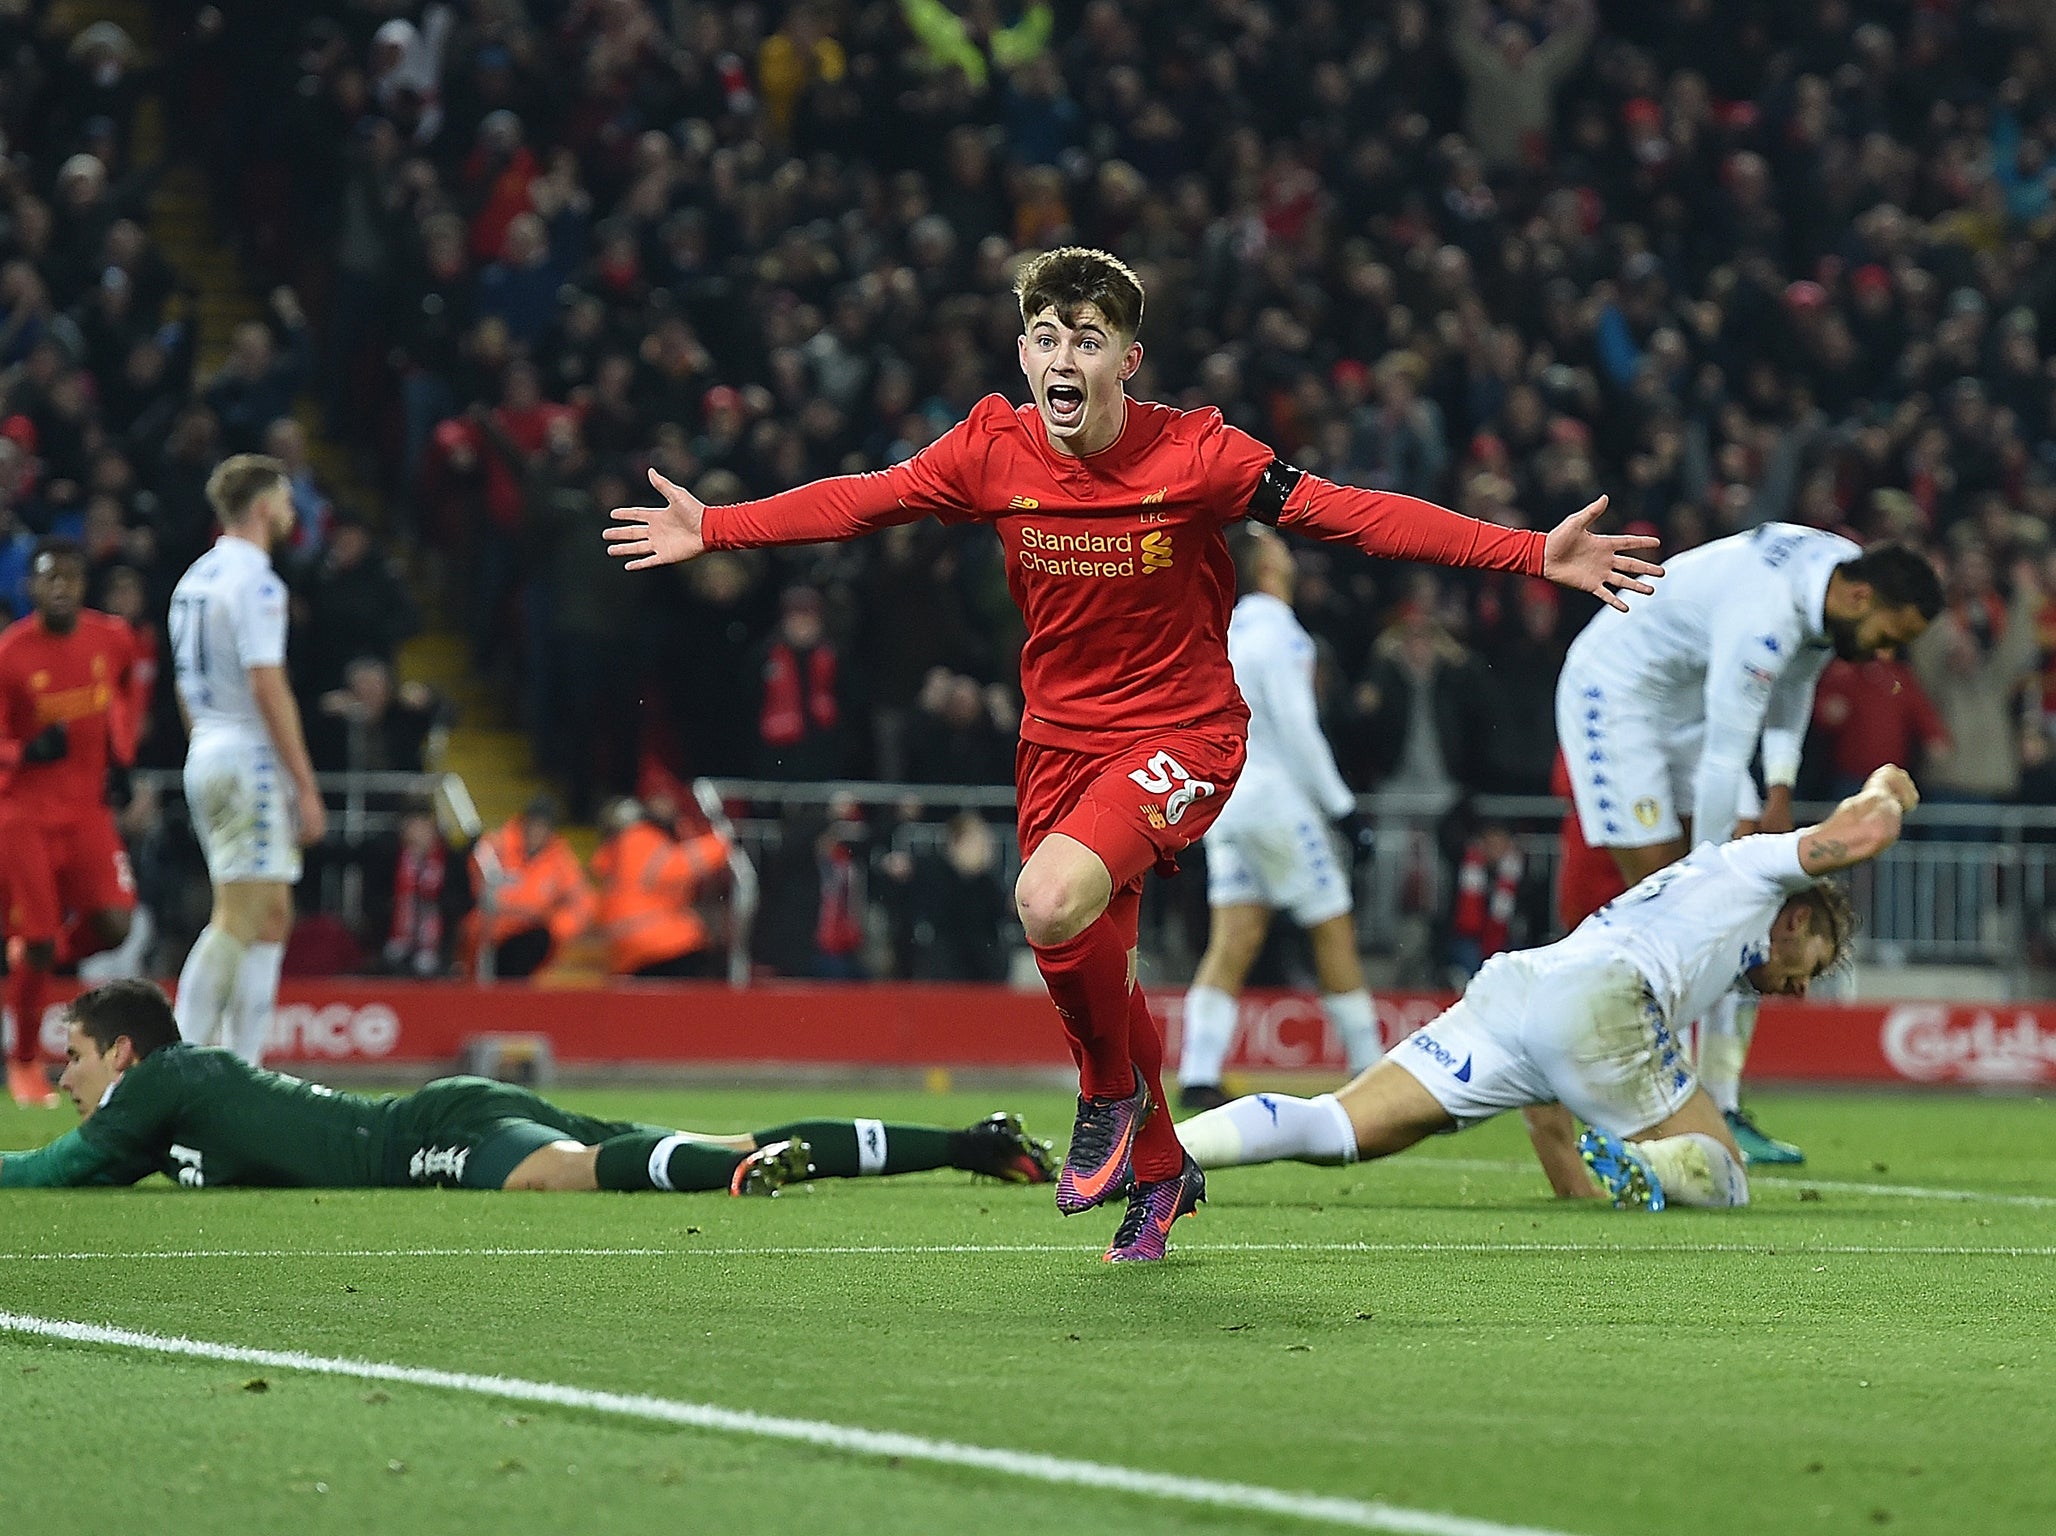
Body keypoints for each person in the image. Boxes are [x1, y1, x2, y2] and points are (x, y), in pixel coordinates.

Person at [608, 246, 1660, 1261]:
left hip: (1181, 733)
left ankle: (1107, 1098)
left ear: (1126, 361)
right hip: (1055, 745)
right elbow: (864, 500)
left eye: (1087, 338)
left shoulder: (1198, 456)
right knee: (1097, 968)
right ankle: (1158, 1174)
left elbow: (1353, 518)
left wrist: (1528, 552)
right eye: (1044, 336)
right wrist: (723, 528)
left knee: (1047, 901)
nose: (1062, 357)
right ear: (1022, 355)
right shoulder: (989, 450)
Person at [1176, 766, 1920, 1213]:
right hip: (1607, 996)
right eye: (1812, 964)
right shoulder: (1758, 866)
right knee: (1724, 1176)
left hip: (1527, 989)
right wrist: (1890, 783)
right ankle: (1649, 1160)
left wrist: (1578, 1194)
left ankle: (1157, 1150)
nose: (1797, 987)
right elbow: (1867, 834)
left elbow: (1550, 1100)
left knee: (1337, 1129)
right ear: (1798, 917)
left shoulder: (1708, 928)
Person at [1552, 526, 1940, 1165]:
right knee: (1669, 902)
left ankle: (1723, 1103)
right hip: (1616, 695)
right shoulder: (1763, 614)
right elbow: (1725, 760)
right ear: (1861, 595)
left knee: (1757, 910)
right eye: (1890, 635)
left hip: (1695, 703)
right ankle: (1626, 1100)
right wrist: (1711, 882)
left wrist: (1780, 789)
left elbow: (1795, 686)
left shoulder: (1833, 586)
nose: (1886, 656)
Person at [0, 978, 1058, 1193]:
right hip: (445, 1108)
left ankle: (728, 1178)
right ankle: (966, 1144)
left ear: (124, 1057)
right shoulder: (166, 1099)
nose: (63, 1077)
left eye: (75, 1059)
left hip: (418, 1137)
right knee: (730, 1136)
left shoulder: (162, 1079)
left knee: (560, 1174)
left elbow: (49, 1172)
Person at [1179, 523, 1379, 1111]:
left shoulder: (1224, 631)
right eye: (1279, 546)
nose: (1288, 554)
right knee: (1331, 924)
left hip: (1226, 800)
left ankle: (1197, 1072)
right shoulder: (1282, 635)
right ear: (1267, 566)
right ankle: (1374, 1071)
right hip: (1274, 799)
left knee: (1233, 937)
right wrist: (1344, 812)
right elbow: (1299, 731)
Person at [168, 455, 326, 1068]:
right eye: (286, 500)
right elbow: (268, 686)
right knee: (238, 914)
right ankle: (174, 1066)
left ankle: (246, 1069)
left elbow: (184, 685)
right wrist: (304, 786)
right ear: (262, 507)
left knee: (270, 914)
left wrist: (207, 747)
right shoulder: (258, 583)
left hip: (206, 747)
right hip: (247, 756)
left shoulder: (194, 580)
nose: (292, 512)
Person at [0, 538, 143, 1106]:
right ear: (31, 587)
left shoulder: (112, 638)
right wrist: (23, 753)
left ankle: (36, 960)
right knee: (35, 938)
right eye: (49, 577)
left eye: (71, 577)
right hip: (23, 815)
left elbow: (127, 693)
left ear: (84, 586)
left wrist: (122, 754)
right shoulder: (10, 653)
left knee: (115, 924)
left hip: (87, 811)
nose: (60, 586)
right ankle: (25, 1062)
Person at [591, 793, 730, 979]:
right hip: (656, 943)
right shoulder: (639, 839)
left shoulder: (614, 853)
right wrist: (723, 842)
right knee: (702, 946)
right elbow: (679, 865)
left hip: (627, 951)